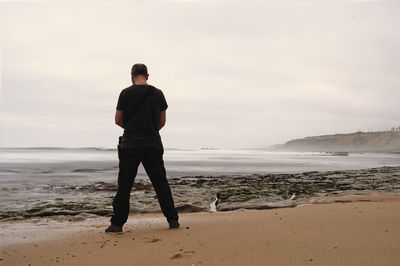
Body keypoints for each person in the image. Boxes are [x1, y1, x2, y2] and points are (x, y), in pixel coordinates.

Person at [105, 63, 179, 234]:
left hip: (130, 144)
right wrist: (149, 131)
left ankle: (117, 224)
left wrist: (132, 129)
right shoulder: (158, 93)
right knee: (160, 183)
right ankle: (172, 220)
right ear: (147, 75)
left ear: (132, 75)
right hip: (152, 144)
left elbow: (118, 120)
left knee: (125, 185)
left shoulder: (125, 93)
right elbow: (162, 122)